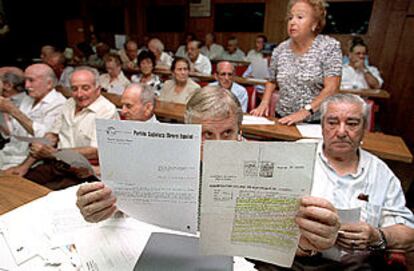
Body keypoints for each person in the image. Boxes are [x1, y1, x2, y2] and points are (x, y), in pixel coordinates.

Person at [76, 86, 339, 262]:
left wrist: (308, 243)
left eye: (227, 133)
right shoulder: (160, 160)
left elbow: (291, 244)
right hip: (175, 255)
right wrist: (100, 207)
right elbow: (124, 209)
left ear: (240, 130)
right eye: (206, 135)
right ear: (190, 133)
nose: (218, 144)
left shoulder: (268, 169)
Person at [310, 94, 413, 268]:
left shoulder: (380, 173)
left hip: (358, 264)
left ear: (364, 128)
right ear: (322, 126)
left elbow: (409, 234)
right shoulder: (296, 159)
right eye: (332, 122)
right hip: (299, 260)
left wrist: (378, 236)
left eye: (352, 123)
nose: (341, 132)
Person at [5, 66, 119, 190]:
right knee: (17, 186)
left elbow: (96, 151)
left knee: (42, 197)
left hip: (83, 171)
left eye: (85, 88)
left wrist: (55, 153)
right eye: (74, 89)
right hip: (57, 164)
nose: (79, 94)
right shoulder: (69, 104)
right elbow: (52, 136)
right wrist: (24, 165)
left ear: (97, 89)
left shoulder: (107, 111)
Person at [251, 0, 342, 126]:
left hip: (315, 121)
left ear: (315, 23)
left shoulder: (329, 47)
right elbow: (271, 80)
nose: (292, 22)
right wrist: (264, 103)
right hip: (283, 118)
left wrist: (304, 112)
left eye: (300, 17)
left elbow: (332, 88)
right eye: (290, 18)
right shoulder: (280, 49)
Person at [0, 64, 66, 169]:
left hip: (29, 161)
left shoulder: (59, 104)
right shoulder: (28, 99)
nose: (26, 86)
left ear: (49, 83)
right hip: (7, 153)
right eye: (25, 80)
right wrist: (5, 112)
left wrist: (13, 111)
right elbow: (10, 133)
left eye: (31, 80)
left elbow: (45, 139)